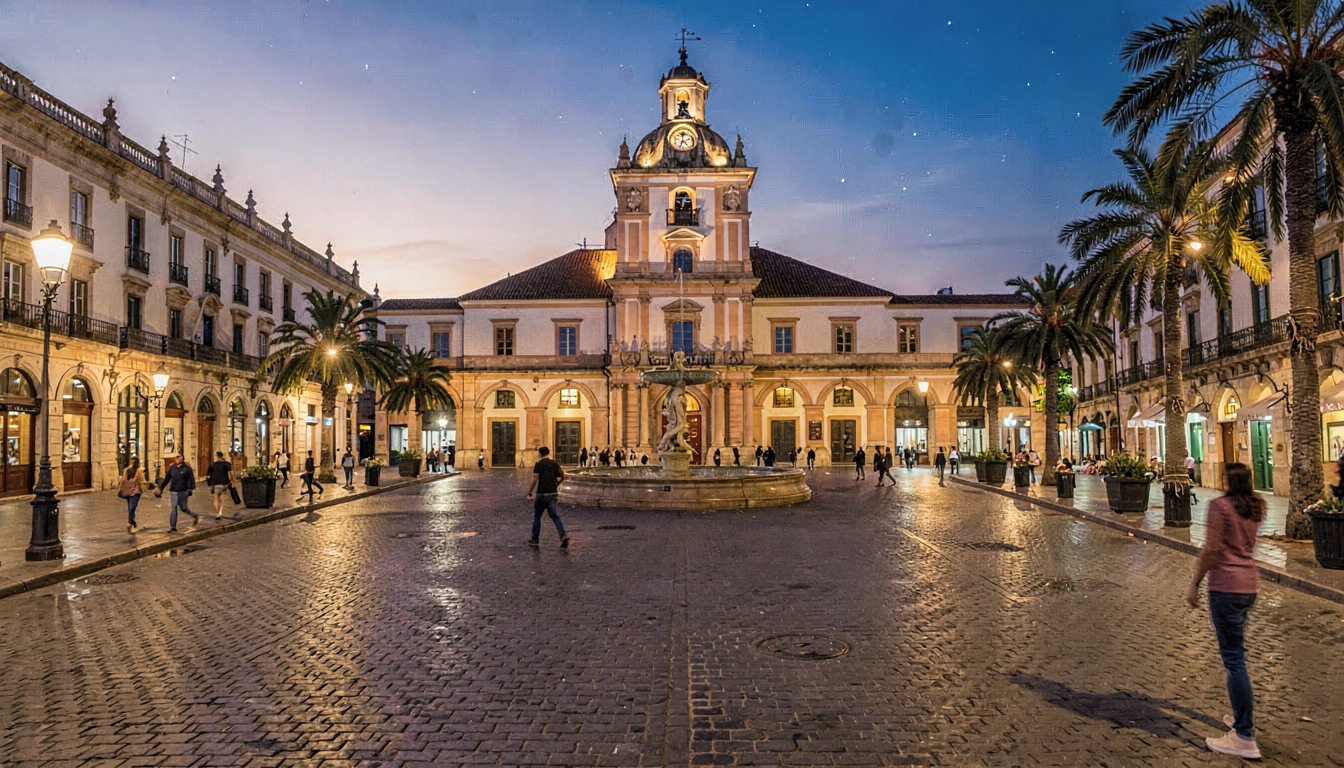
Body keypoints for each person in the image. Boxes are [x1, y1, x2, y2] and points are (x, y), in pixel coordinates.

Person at [1187, 463, 1264, 760]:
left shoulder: (1219, 506)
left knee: (1234, 661)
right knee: (1237, 655)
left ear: (1225, 481)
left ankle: (1244, 735)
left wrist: (1195, 582)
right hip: (1249, 585)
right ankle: (1239, 716)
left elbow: (1212, 548)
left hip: (1226, 587)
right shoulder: (1257, 506)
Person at [526, 446, 569, 549]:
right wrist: (557, 484)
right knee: (555, 516)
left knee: (537, 517)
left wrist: (530, 491)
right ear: (548, 453)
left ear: (540, 454)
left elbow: (535, 478)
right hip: (552, 493)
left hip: (541, 493)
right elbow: (562, 475)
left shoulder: (539, 464)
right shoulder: (554, 464)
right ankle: (563, 536)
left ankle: (535, 540)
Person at [154, 454, 198, 532]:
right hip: (173, 490)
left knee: (183, 508)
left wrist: (191, 488)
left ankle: (194, 515)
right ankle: (172, 526)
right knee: (173, 508)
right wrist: (161, 488)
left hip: (183, 491)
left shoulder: (187, 469)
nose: (177, 459)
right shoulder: (172, 468)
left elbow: (191, 478)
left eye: (178, 457)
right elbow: (167, 479)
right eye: (176, 457)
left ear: (182, 459)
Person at [118, 456, 146, 534]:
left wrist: (121, 488)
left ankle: (130, 523)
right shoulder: (128, 470)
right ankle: (131, 522)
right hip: (130, 491)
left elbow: (123, 480)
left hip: (133, 491)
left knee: (131, 508)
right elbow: (123, 480)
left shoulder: (135, 471)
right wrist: (121, 489)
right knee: (131, 508)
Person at [205, 451, 235, 520]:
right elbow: (230, 473)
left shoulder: (212, 465)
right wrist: (232, 481)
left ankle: (218, 512)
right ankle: (219, 512)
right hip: (223, 482)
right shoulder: (227, 464)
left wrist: (208, 482)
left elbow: (208, 475)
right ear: (222, 456)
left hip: (213, 483)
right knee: (219, 497)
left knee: (216, 497)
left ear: (216, 456)